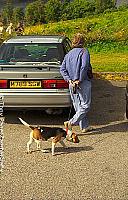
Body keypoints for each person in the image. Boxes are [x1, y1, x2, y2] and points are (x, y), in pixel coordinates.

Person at [60, 33, 93, 136]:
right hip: (82, 82)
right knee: (85, 105)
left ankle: (85, 127)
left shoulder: (68, 54)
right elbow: (84, 67)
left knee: (78, 105)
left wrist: (69, 80)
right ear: (82, 41)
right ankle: (71, 122)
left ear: (73, 42)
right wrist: (79, 79)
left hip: (71, 84)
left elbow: (62, 69)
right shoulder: (84, 52)